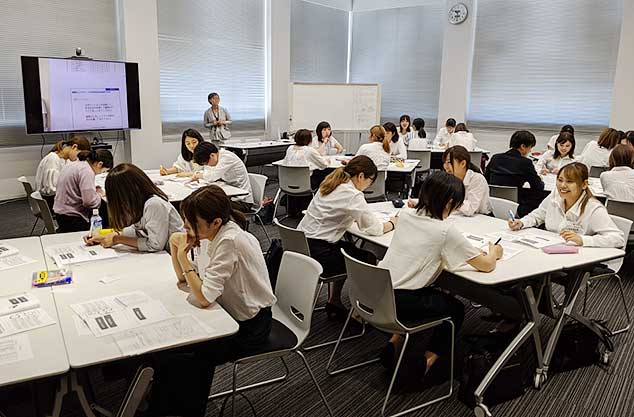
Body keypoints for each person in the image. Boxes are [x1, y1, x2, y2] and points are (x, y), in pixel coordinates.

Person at [147, 185, 276, 417]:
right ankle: (167, 402)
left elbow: (204, 297)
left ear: (215, 222)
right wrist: (178, 246)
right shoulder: (213, 233)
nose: (185, 225)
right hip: (227, 311)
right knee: (174, 348)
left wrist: (180, 256)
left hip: (251, 325)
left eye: (190, 221)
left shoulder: (229, 241)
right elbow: (184, 281)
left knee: (189, 354)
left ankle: (181, 408)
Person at [378, 171, 502, 381]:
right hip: (401, 301)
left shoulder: (406, 216)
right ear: (450, 203)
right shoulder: (445, 230)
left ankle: (395, 342)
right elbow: (486, 266)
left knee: (435, 290)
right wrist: (494, 252)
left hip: (380, 291)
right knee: (455, 308)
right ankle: (426, 363)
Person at [298, 156, 396, 318]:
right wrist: (393, 223)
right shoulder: (352, 194)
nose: (369, 186)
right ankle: (362, 311)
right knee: (367, 258)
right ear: (361, 176)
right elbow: (375, 228)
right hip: (318, 253)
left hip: (302, 246)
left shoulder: (331, 183)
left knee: (348, 248)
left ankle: (334, 300)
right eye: (370, 181)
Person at [509, 162, 624, 248]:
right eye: (560, 180)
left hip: (577, 259)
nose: (562, 185)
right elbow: (537, 215)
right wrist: (522, 223)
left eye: (569, 182)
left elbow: (618, 238)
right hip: (550, 249)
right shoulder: (555, 197)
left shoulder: (593, 208)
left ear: (584, 185)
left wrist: (583, 240)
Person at [84, 163, 184, 251]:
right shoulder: (137, 204)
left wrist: (117, 239)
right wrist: (107, 235)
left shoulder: (154, 204)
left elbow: (155, 245)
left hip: (174, 254)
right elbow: (135, 229)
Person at [485, 130, 544, 216]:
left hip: (492, 204)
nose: (530, 151)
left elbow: (485, 179)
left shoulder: (495, 158)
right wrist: (539, 179)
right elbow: (538, 186)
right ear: (523, 146)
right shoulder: (525, 163)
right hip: (516, 206)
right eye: (530, 147)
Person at [53, 149, 113, 233]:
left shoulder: (74, 164)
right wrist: (99, 195)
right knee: (104, 210)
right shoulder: (87, 171)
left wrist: (93, 191)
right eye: (103, 171)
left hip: (61, 214)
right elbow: (89, 202)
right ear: (99, 164)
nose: (100, 173)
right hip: (72, 219)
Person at [190, 142, 254, 212]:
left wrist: (199, 175)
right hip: (230, 196)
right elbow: (208, 174)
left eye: (206, 163)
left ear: (212, 155)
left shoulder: (226, 157)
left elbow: (212, 176)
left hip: (242, 201)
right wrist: (199, 174)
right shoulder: (215, 159)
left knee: (206, 205)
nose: (207, 165)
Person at [35, 135, 91, 206]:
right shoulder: (53, 159)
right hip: (51, 202)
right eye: (79, 155)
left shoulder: (64, 159)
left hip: (55, 199)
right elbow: (51, 190)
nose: (78, 159)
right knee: (85, 203)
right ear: (74, 147)